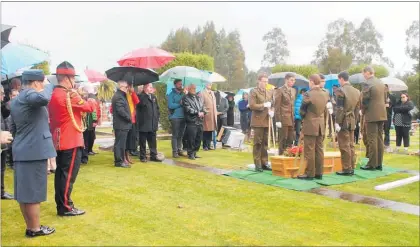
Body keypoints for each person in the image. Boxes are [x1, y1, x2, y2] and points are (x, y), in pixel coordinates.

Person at [10, 70, 56, 237]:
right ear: (36, 82)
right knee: (33, 194)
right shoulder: (30, 94)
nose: (43, 86)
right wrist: (52, 83)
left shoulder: (17, 99)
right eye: (42, 83)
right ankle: (35, 229)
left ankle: (31, 227)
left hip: (23, 149)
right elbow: (43, 98)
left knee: (25, 194)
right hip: (33, 151)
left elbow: (13, 128)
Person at [49, 61, 96, 216]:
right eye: (73, 78)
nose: (74, 82)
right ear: (67, 78)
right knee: (68, 175)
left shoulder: (55, 94)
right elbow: (89, 108)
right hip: (71, 139)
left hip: (61, 139)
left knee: (61, 174)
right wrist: (89, 98)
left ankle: (62, 204)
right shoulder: (70, 95)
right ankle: (65, 207)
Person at [297, 74, 329, 180]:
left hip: (310, 123)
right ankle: (319, 172)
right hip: (321, 124)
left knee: (309, 149)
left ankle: (310, 173)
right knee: (319, 149)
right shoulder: (325, 93)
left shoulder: (308, 94)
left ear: (311, 82)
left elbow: (302, 110)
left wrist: (303, 117)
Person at [360, 66, 387, 171]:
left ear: (367, 72)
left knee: (372, 139)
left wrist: (363, 110)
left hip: (372, 113)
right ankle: (379, 163)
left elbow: (365, 100)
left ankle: (372, 164)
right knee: (379, 138)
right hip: (381, 113)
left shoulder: (367, 83)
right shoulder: (381, 83)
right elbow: (384, 98)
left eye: (363, 73)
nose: (363, 75)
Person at [334, 71, 361, 176]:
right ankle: (351, 166)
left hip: (344, 120)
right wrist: (356, 120)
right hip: (352, 119)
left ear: (341, 79)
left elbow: (340, 108)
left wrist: (337, 122)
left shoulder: (341, 90)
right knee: (351, 144)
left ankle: (346, 168)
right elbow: (357, 108)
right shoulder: (356, 91)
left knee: (344, 145)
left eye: (338, 80)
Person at [249, 73, 274, 172]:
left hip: (267, 120)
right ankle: (257, 164)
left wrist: (272, 110)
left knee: (265, 143)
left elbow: (272, 103)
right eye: (264, 81)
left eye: (267, 81)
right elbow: (251, 105)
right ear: (259, 81)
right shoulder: (254, 91)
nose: (265, 83)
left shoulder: (269, 92)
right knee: (258, 143)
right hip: (258, 120)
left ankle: (265, 162)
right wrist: (263, 105)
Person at [137, 83, 162, 162]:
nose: (152, 88)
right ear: (145, 88)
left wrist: (157, 117)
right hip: (144, 123)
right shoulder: (141, 96)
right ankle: (143, 156)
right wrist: (146, 94)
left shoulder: (153, 97)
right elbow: (141, 104)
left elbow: (157, 108)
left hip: (153, 123)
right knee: (143, 142)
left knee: (153, 141)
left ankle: (153, 156)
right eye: (150, 87)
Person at [111, 80, 132, 168]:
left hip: (122, 124)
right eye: (126, 87)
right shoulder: (119, 96)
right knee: (120, 144)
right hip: (121, 124)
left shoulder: (121, 95)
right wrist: (128, 118)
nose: (127, 89)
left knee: (121, 144)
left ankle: (121, 160)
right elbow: (120, 111)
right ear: (121, 87)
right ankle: (119, 161)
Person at [274, 73, 296, 155]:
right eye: (291, 80)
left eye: (294, 80)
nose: (293, 82)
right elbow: (277, 106)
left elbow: (292, 105)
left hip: (291, 117)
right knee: (283, 138)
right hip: (283, 117)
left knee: (290, 138)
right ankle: (281, 155)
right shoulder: (280, 90)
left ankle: (288, 155)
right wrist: (278, 120)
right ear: (286, 80)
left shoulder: (293, 90)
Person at [182, 84, 206, 160]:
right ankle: (190, 153)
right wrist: (197, 112)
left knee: (198, 138)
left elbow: (202, 107)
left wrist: (203, 112)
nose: (194, 89)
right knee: (191, 139)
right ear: (188, 89)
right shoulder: (185, 98)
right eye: (192, 88)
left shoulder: (198, 97)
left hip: (199, 121)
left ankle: (195, 152)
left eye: (195, 88)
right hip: (191, 121)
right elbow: (187, 109)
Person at [167, 79, 186, 158]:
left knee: (181, 135)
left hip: (183, 117)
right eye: (179, 84)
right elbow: (170, 105)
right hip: (175, 117)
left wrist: (185, 95)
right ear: (175, 85)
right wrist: (179, 104)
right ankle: (174, 152)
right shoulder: (171, 94)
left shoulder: (183, 94)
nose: (180, 85)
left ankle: (179, 149)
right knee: (175, 135)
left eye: (181, 84)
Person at [0, 84, 13, 200]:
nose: (3, 96)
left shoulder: (2, 106)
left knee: (2, 168)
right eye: (1, 93)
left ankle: (1, 191)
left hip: (3, 141)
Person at [124, 83, 140, 163]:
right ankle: (124, 156)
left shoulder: (131, 94)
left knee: (130, 139)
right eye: (128, 86)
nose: (130, 88)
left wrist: (133, 92)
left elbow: (137, 101)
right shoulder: (123, 95)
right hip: (125, 120)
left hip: (132, 120)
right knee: (125, 139)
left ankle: (127, 155)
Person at [201, 82, 217, 151]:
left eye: (210, 84)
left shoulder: (212, 93)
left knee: (210, 131)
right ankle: (205, 146)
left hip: (212, 115)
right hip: (206, 115)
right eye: (208, 84)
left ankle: (208, 145)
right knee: (205, 131)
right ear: (205, 85)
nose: (210, 85)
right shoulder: (202, 93)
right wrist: (205, 111)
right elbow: (201, 104)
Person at [384, 84, 395, 152]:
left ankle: (386, 143)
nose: (384, 89)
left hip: (388, 115)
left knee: (387, 130)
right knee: (379, 130)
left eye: (385, 88)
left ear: (388, 88)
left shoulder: (391, 96)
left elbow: (393, 104)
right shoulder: (380, 96)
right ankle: (380, 143)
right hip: (380, 115)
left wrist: (389, 104)